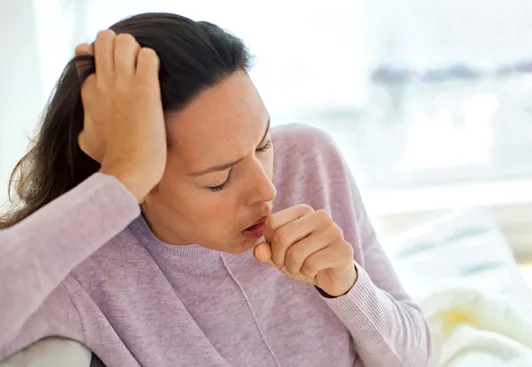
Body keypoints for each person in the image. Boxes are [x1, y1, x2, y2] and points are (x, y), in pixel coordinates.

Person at [0, 12, 432, 367]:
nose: (267, 190)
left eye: (263, 144)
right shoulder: (88, 270)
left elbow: (418, 357)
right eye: (218, 179)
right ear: (142, 181)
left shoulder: (309, 160)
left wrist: (348, 286)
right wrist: (120, 178)